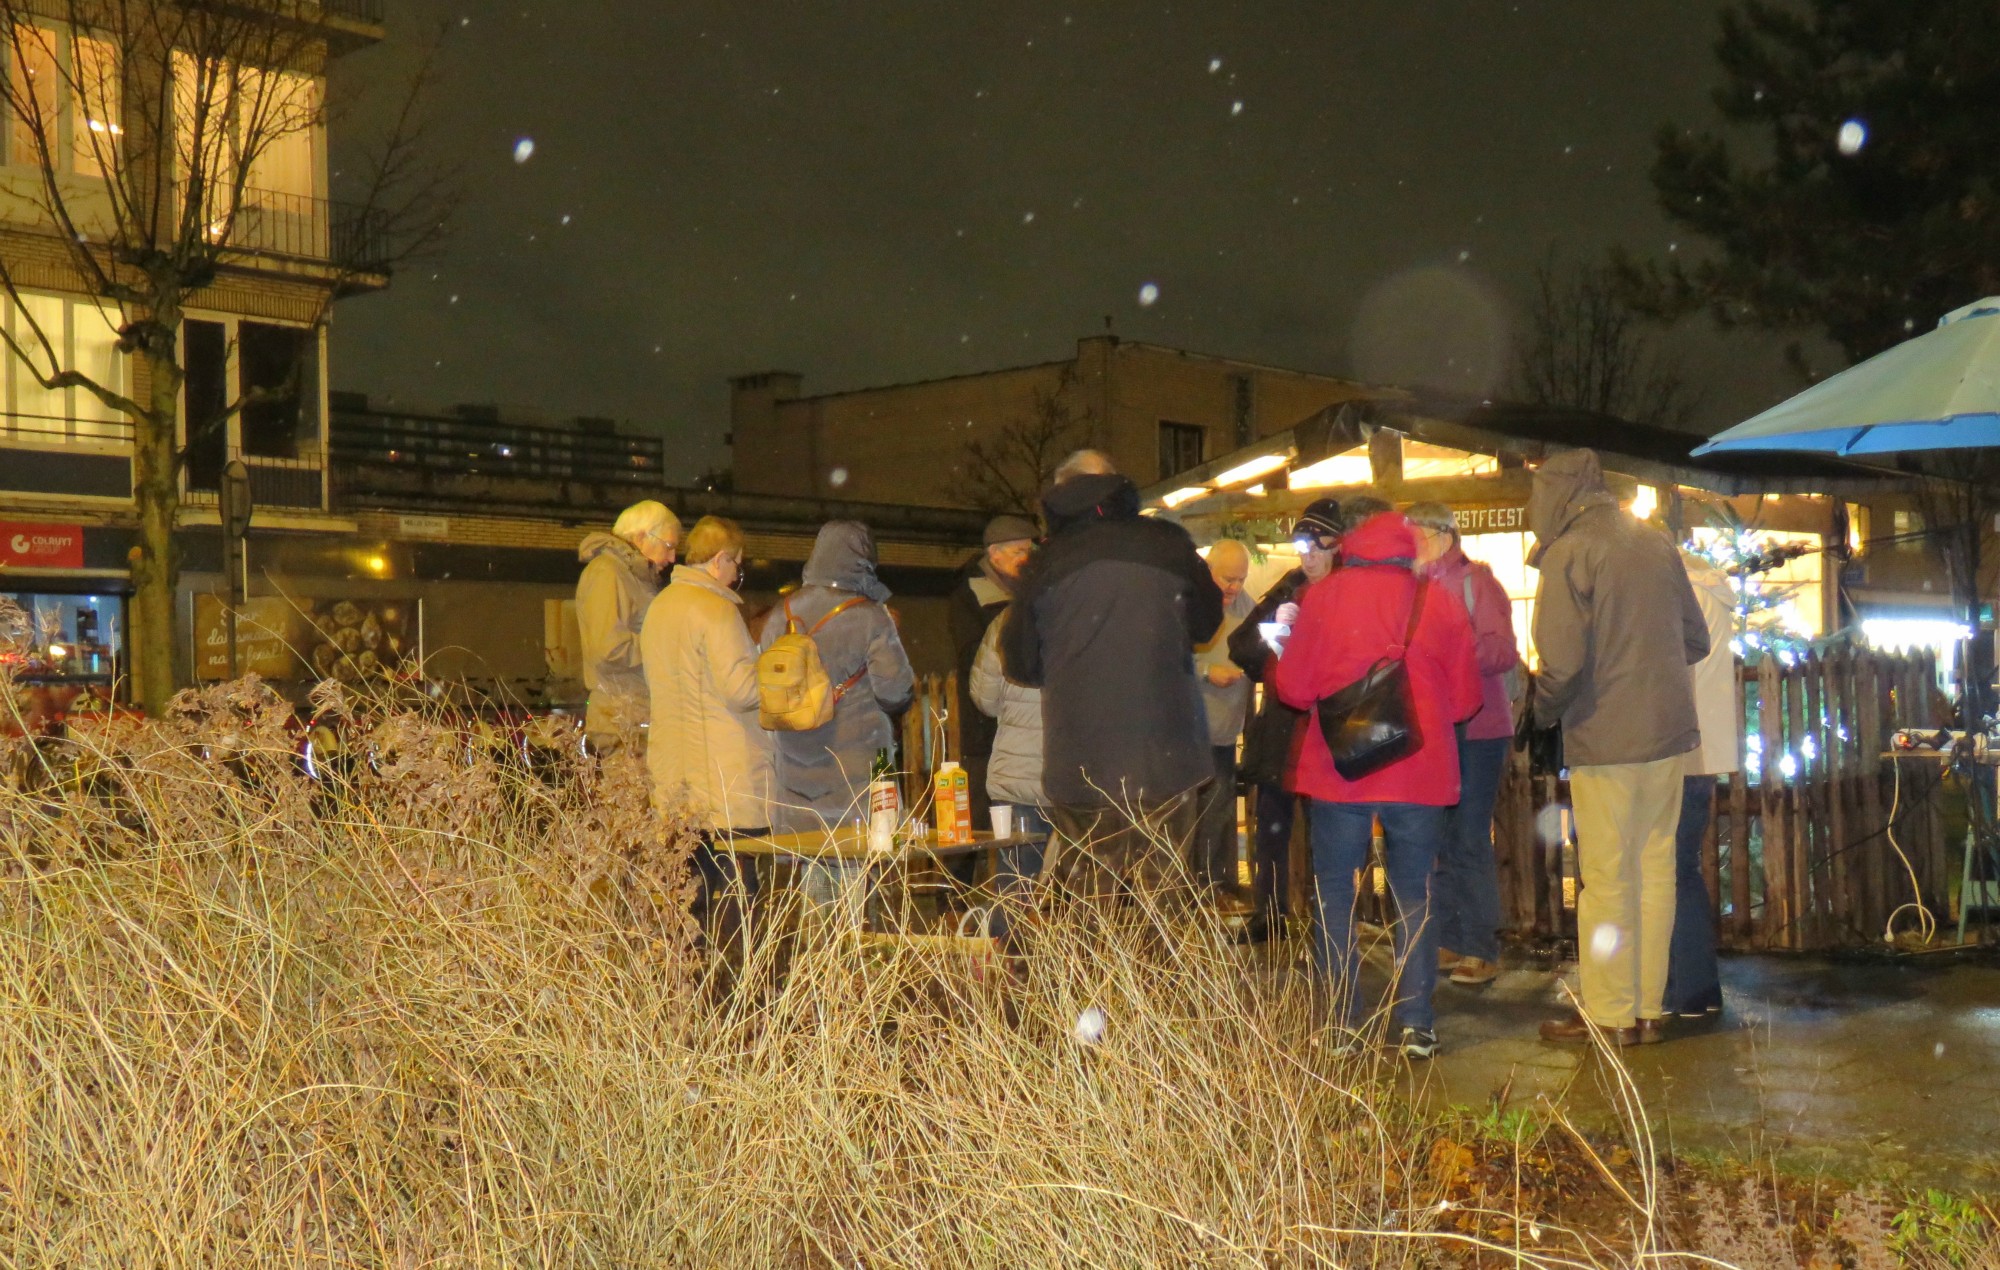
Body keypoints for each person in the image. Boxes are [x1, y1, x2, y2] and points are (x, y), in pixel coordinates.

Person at [1273, 510, 1481, 1059]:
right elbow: (1466, 701)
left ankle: (1342, 1023)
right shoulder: (1438, 600)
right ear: (1407, 550)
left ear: (1352, 548)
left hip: (1340, 771)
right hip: (1418, 771)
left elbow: (1293, 690)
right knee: (1415, 894)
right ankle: (1417, 1023)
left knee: (1334, 892)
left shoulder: (1322, 599)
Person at [1528, 450, 1710, 1047]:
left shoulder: (1571, 551)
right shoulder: (1654, 542)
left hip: (1605, 736)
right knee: (1655, 870)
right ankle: (1649, 1009)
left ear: (1553, 496)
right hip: (1668, 736)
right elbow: (1695, 637)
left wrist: (1540, 714)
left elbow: (1561, 662)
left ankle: (1610, 1014)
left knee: (1606, 879)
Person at [1000, 449, 1223, 903]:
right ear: (1119, 486)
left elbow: (1020, 662)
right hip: (1167, 755)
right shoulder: (1168, 543)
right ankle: (1162, 974)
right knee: (1162, 899)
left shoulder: (1045, 564)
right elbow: (1206, 622)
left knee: (1089, 902)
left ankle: (1092, 975)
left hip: (1082, 757)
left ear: (1058, 496)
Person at [1406, 501, 1521, 988]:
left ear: (1444, 536)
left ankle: (1481, 946)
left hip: (1478, 731)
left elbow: (1501, 650)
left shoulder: (1478, 584)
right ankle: (1451, 940)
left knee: (1469, 838)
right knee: (1442, 839)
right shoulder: (1415, 587)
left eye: (1417, 536)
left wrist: (1447, 649)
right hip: (1436, 731)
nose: (1409, 546)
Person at [641, 516, 771, 943]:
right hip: (726, 786)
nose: (738, 575)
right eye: (737, 565)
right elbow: (741, 690)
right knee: (740, 903)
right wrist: (773, 675)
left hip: (675, 785)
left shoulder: (659, 608)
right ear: (719, 560)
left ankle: (687, 996)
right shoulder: (717, 609)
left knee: (688, 904)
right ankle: (739, 995)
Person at [1229, 499, 1348, 941]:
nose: (1308, 556)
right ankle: (1270, 916)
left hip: (1325, 731)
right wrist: (1277, 641)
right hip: (1281, 728)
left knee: (1326, 833)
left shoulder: (1348, 589)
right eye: (1301, 545)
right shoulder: (1289, 587)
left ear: (1337, 546)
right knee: (1273, 831)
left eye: (1317, 545)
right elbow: (1241, 647)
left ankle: (1327, 923)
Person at [759, 521, 916, 831]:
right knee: (859, 866)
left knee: (810, 862)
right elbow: (894, 691)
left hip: (793, 769)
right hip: (854, 767)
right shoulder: (871, 615)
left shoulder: (781, 613)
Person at [1664, 548, 1737, 1020]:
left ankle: (1686, 988)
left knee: (1674, 870)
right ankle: (1701, 987)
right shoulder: (1713, 594)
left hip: (1680, 749)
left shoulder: (1682, 596)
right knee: (1683, 867)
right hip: (1706, 752)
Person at [951, 515, 1040, 828]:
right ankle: (959, 879)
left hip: (1019, 735)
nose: (1027, 559)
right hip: (984, 732)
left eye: (1030, 550)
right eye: (1019, 552)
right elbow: (973, 660)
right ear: (994, 554)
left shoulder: (1024, 596)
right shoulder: (973, 596)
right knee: (977, 824)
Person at [576, 500, 680, 754]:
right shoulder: (607, 573)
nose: (672, 557)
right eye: (669, 546)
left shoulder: (632, 577)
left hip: (635, 718)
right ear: (642, 536)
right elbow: (609, 648)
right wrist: (663, 647)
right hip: (623, 723)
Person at [971, 603, 1050, 891]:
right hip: (1073, 779)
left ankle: (1008, 936)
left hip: (1017, 778)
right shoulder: (1083, 612)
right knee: (1073, 897)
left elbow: (985, 699)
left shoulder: (1007, 621)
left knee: (1016, 887)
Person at [1193, 538, 1255, 903]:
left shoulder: (1248, 609)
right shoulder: (1190, 605)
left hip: (1226, 730)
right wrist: (1204, 671)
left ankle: (1216, 883)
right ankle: (1191, 888)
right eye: (1226, 578)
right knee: (1189, 815)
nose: (1233, 586)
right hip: (1190, 731)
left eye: (1240, 579)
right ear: (1208, 570)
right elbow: (1166, 658)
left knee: (1219, 811)